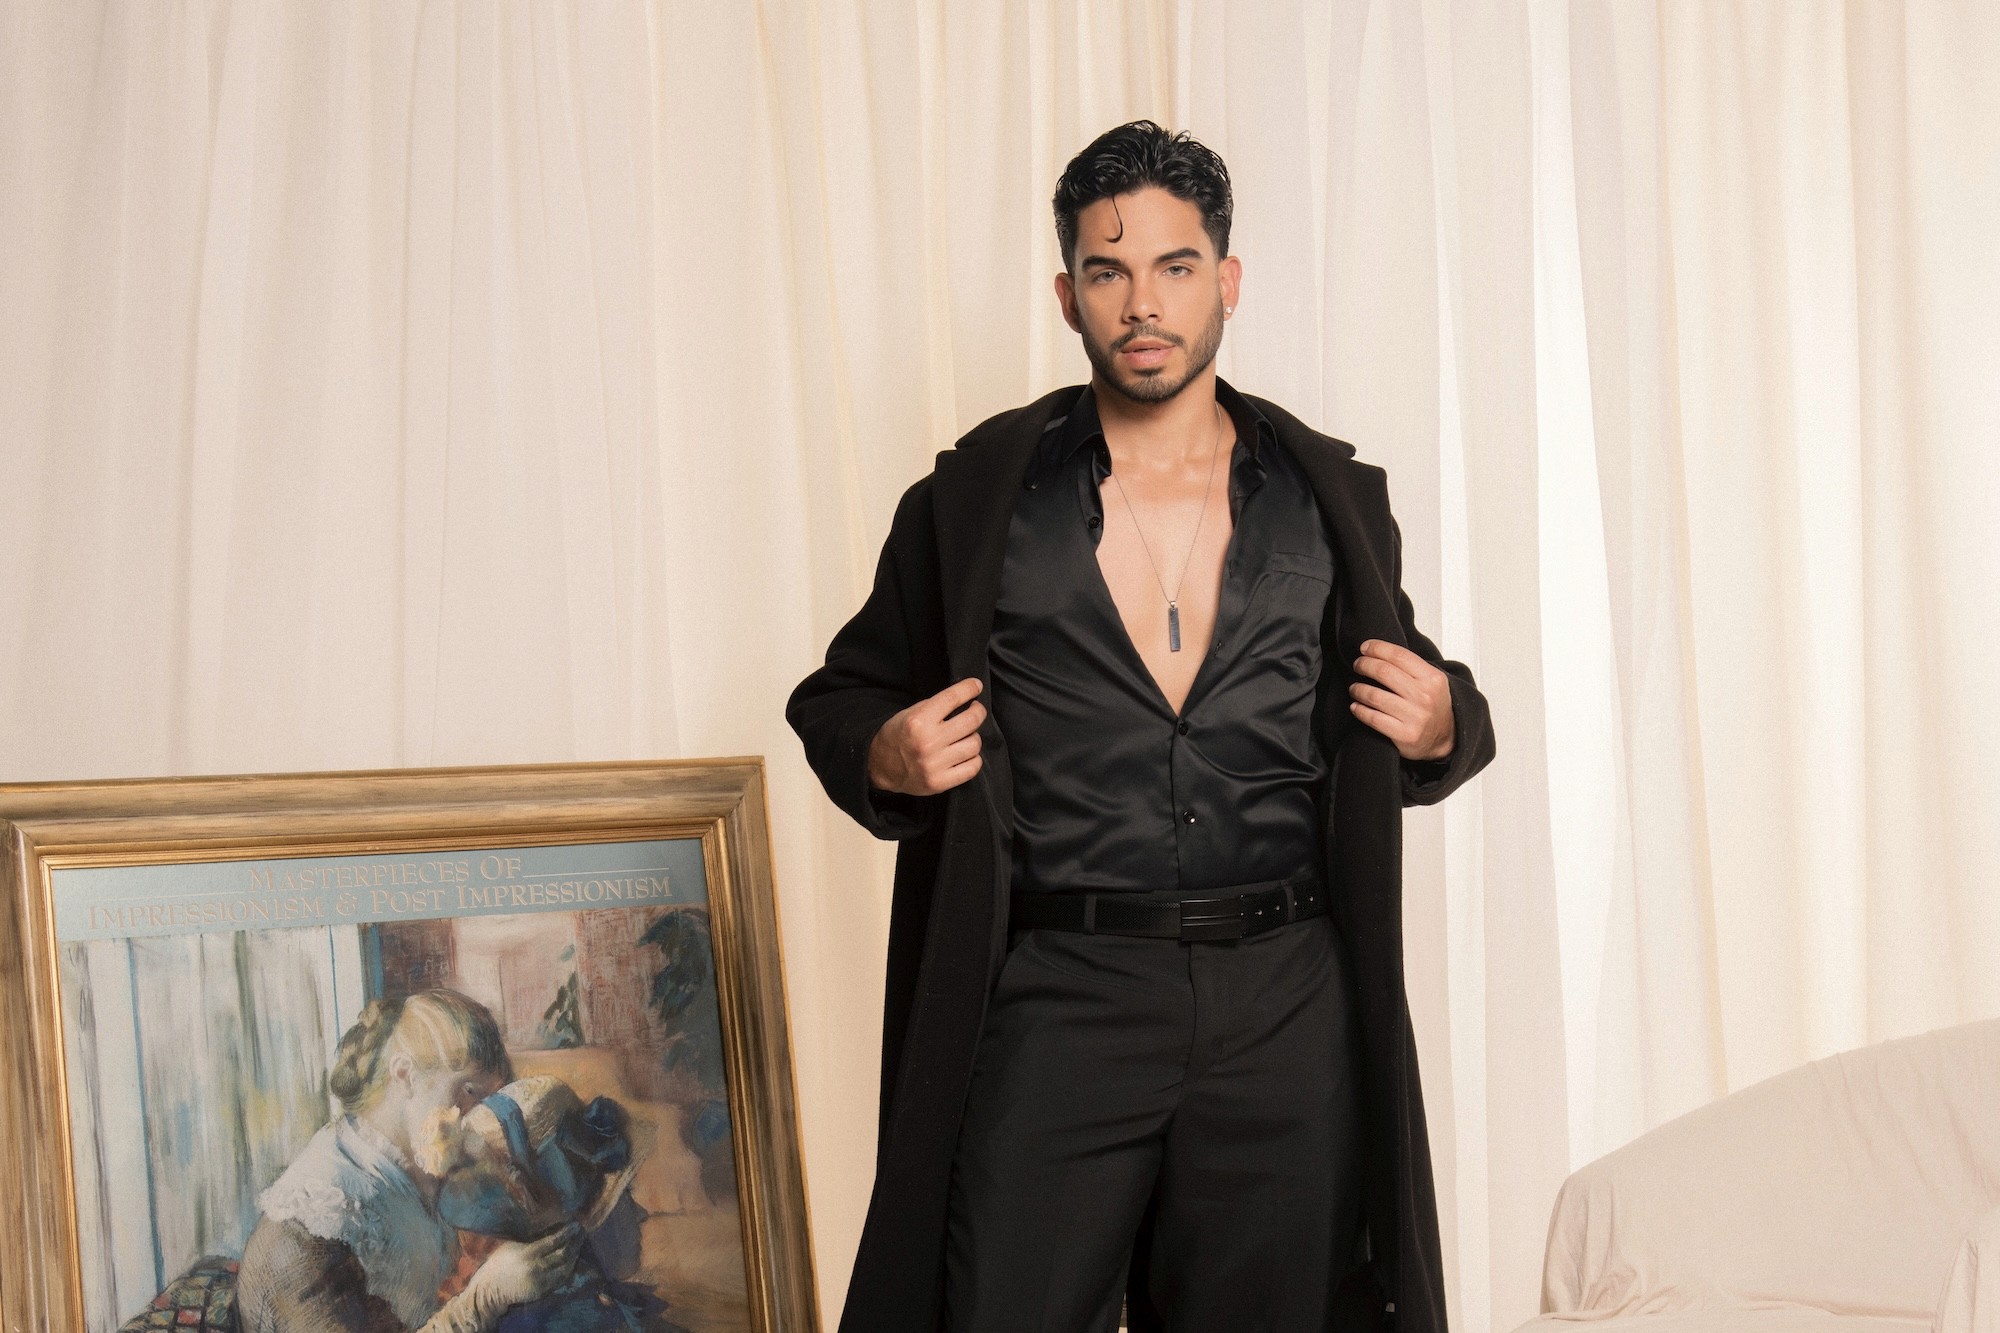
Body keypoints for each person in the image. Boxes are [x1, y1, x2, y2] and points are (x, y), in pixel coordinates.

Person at [788, 120, 1495, 1333]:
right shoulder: (972, 503)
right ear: (1067, 295)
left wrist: (1444, 725)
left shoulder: (1329, 501)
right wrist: (885, 752)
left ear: (1227, 280)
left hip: (1284, 995)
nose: (1142, 303)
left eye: (1174, 266)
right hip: (1061, 989)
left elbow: (1423, 691)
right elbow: (839, 698)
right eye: (1107, 272)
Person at [236, 990, 586, 1333]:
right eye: (468, 1092)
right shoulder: (311, 1224)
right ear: (405, 1074)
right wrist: (486, 1297)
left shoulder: (430, 1170)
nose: (475, 1118)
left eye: (488, 1100)